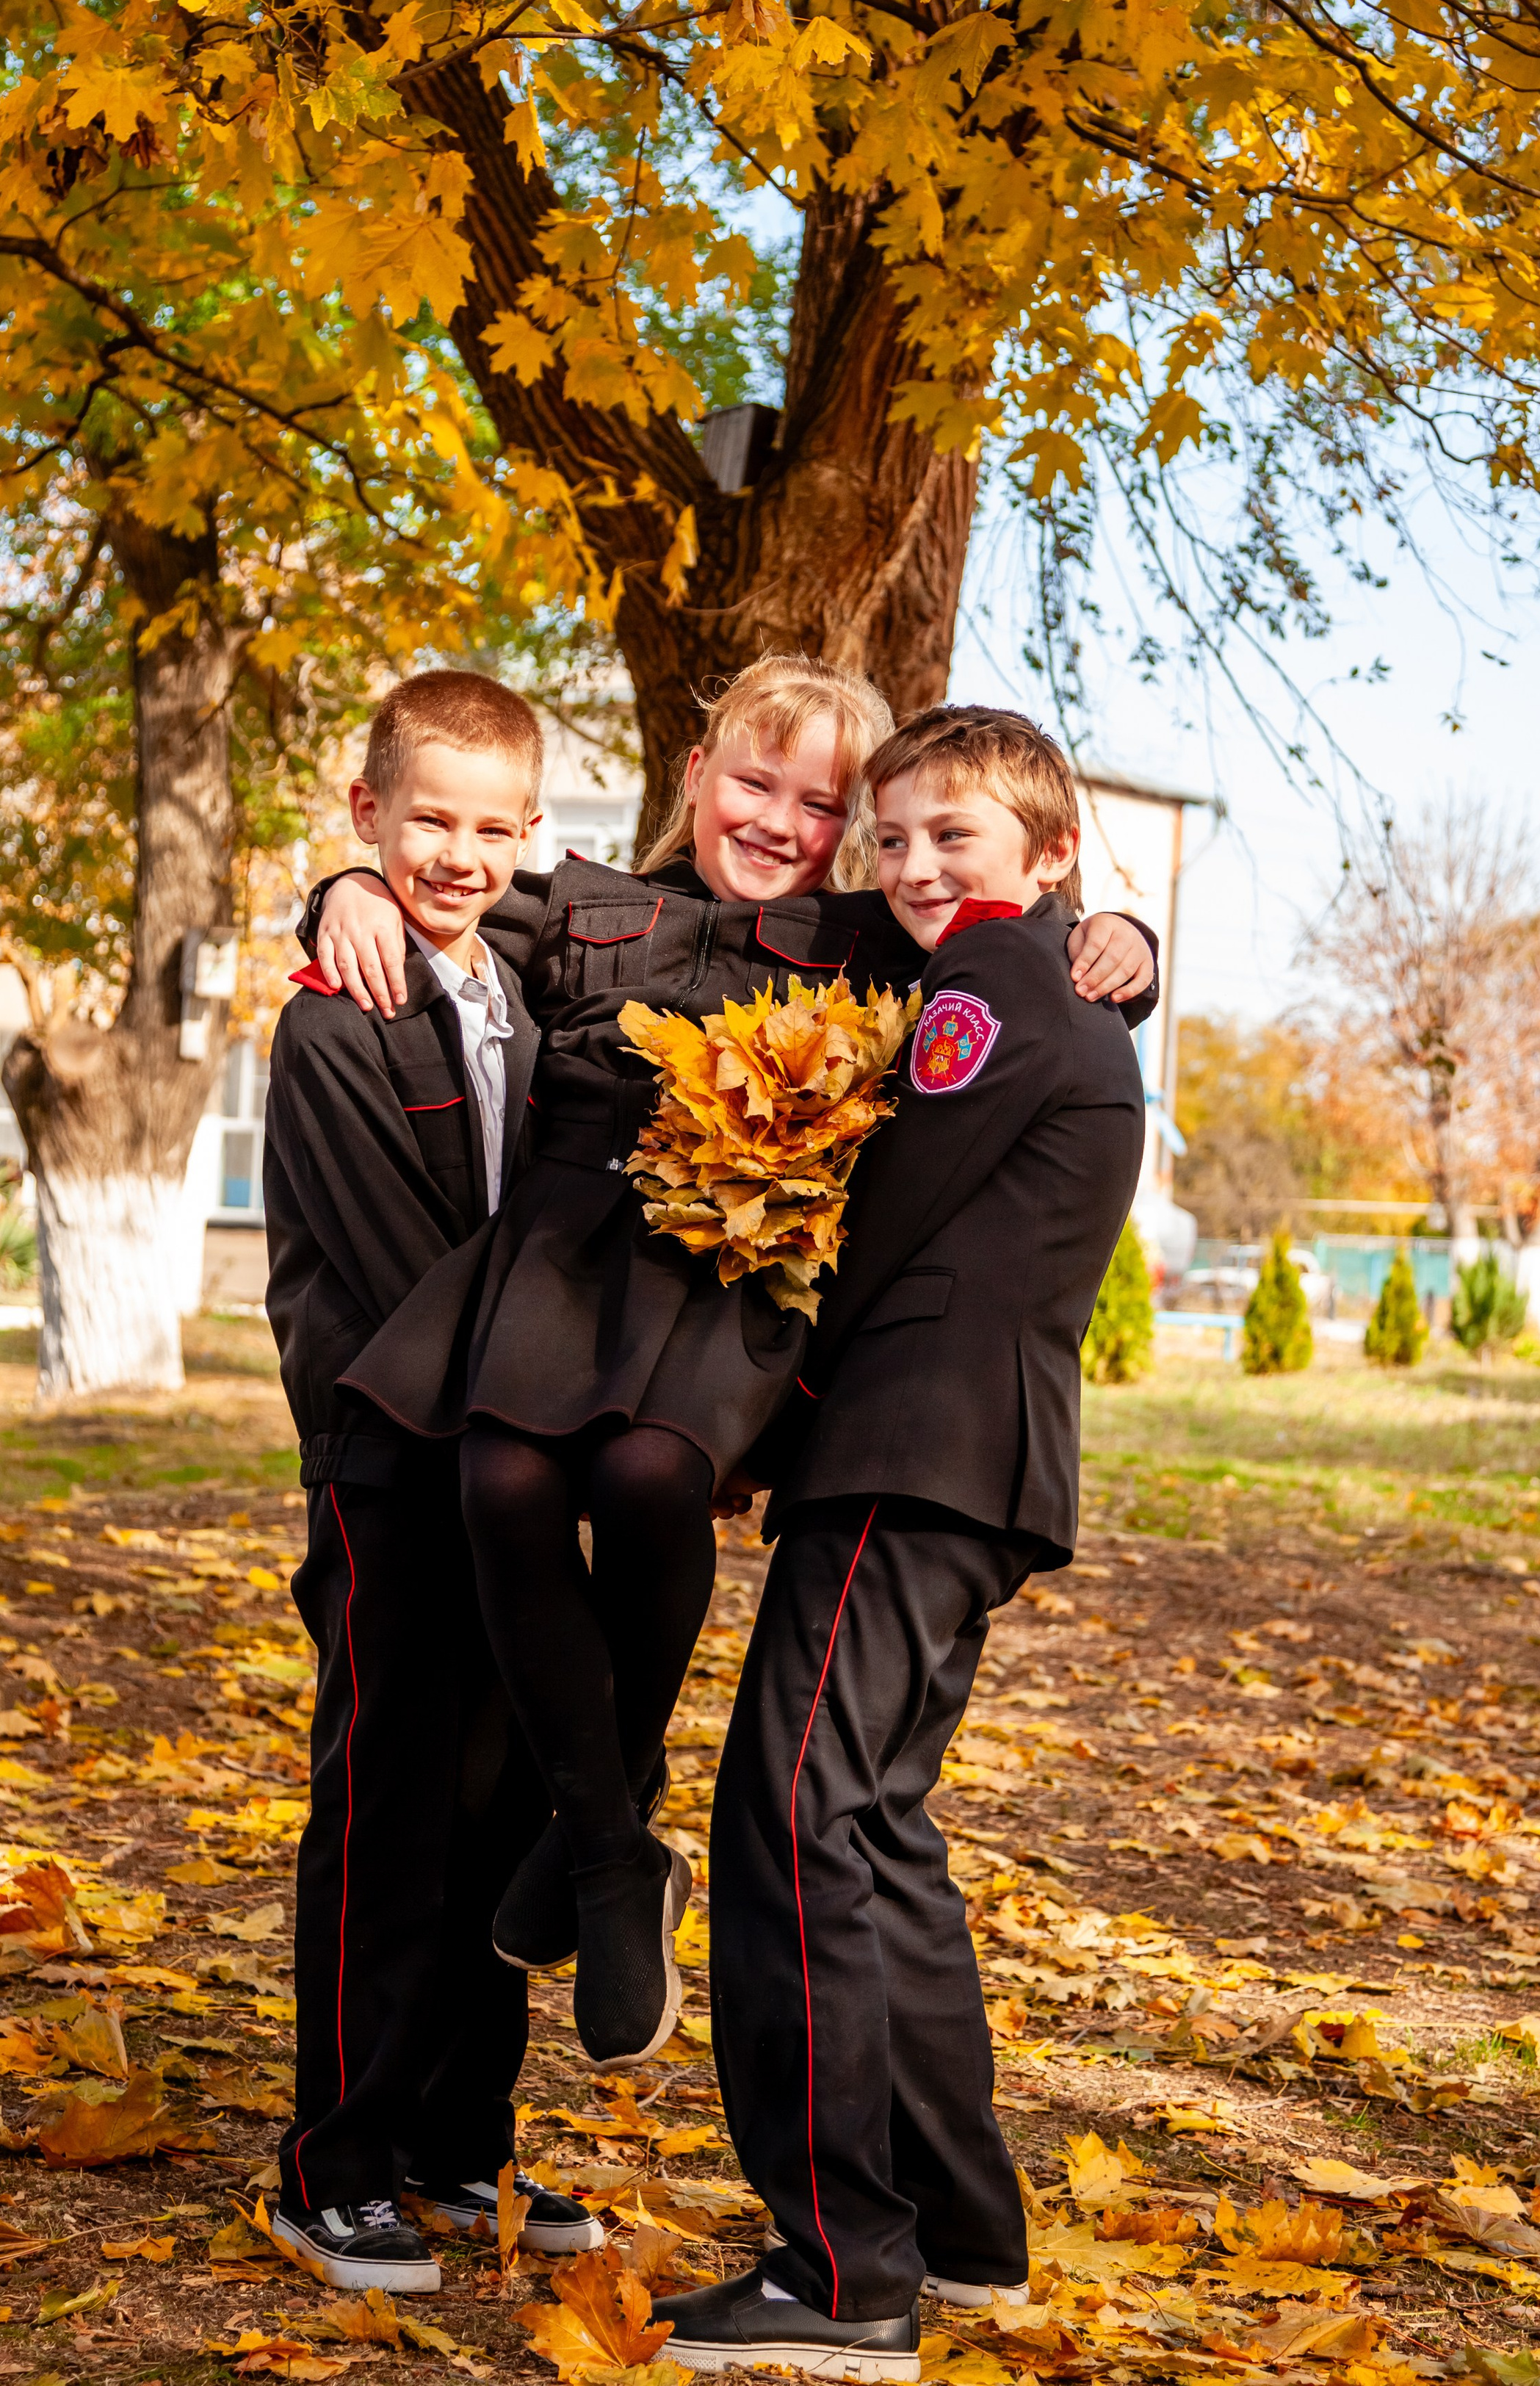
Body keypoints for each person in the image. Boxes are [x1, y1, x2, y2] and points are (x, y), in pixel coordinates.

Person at [302, 661, 1157, 2078]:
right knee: (500, 1476)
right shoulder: (581, 903)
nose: (779, 822)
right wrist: (338, 886)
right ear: (695, 769)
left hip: (730, 1278)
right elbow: (438, 894)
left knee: (649, 1479)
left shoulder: (878, 939)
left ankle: (599, 1831)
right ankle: (607, 1846)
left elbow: (1008, 972)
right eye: (753, 783)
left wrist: (1118, 932)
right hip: (569, 1259)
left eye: (825, 805)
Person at [656, 705, 1151, 2381]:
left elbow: (869, 1227)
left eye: (957, 836)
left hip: (907, 1452)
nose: (915, 866)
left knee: (789, 1815)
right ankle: (959, 2231)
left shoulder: (993, 992)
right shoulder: (1032, 979)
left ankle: (838, 2266)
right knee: (873, 1823)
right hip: (969, 1462)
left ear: (1051, 859)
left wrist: (740, 1427)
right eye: (895, 841)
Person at [264, 668, 599, 2291]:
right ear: (364, 817)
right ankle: (337, 2156)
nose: (456, 857)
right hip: (389, 1457)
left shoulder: (523, 986)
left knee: (495, 1797)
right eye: (423, 825)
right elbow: (420, 1281)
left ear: (529, 839)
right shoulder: (334, 1013)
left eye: (490, 828)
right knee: (391, 1799)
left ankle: (458, 2137)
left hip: (511, 1469)